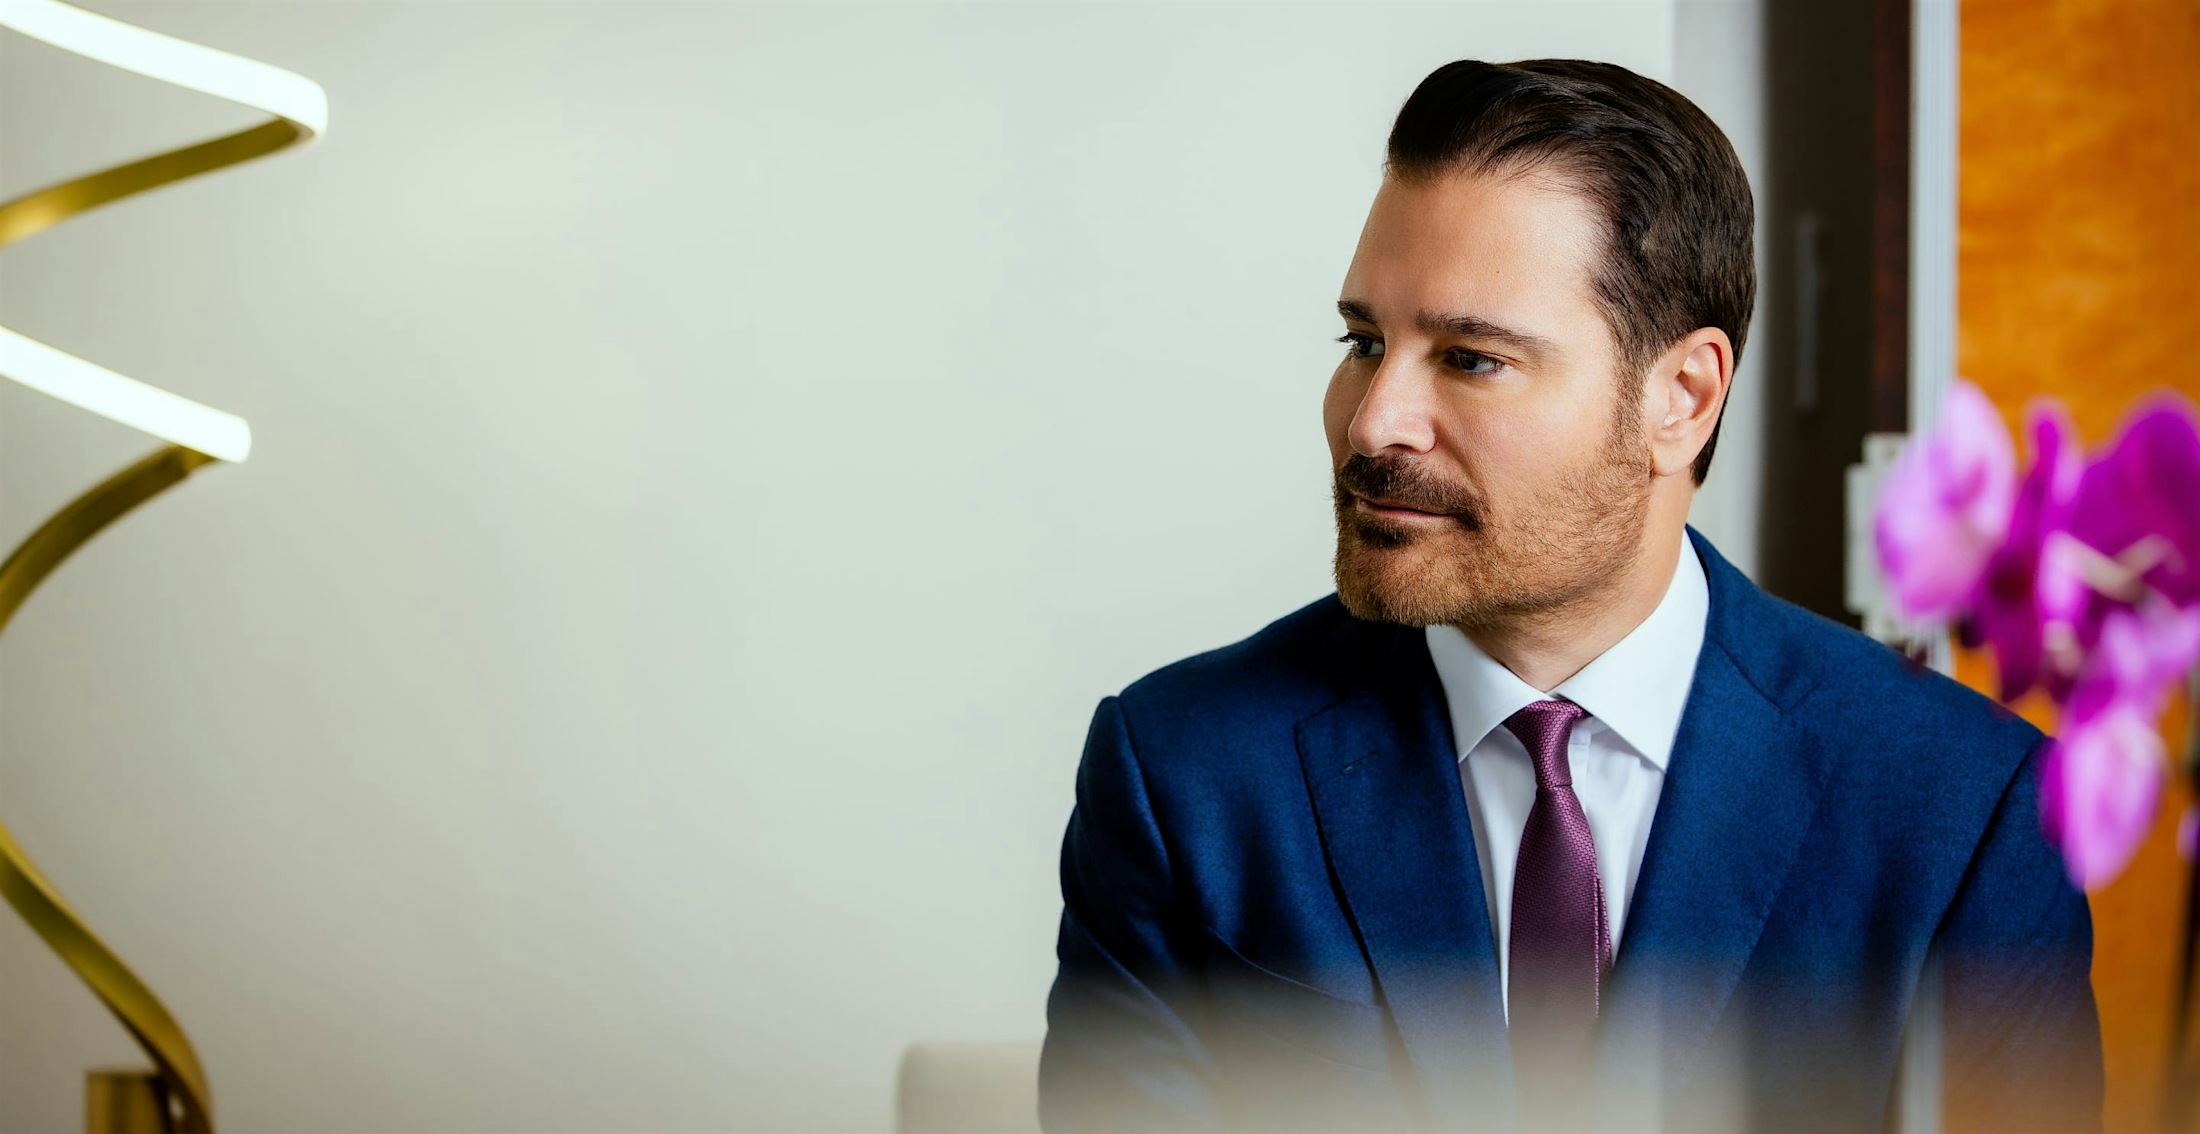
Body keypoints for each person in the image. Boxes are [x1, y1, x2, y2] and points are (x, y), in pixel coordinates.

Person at [1037, 59, 2102, 1133]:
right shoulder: (1182, 777)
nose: (1372, 424)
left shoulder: (1968, 814)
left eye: (1471, 358)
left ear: (1678, 400)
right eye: (1364, 343)